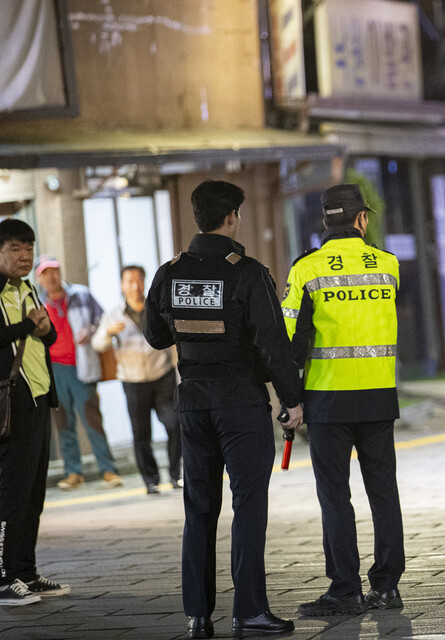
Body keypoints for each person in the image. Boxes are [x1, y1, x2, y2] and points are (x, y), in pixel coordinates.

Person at [144, 180, 303, 639]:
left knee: (199, 509)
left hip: (192, 403)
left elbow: (156, 336)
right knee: (248, 506)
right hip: (241, 403)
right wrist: (292, 401)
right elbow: (273, 343)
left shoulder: (169, 272)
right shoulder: (248, 271)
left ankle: (197, 615)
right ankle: (250, 611)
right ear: (231, 216)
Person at [282, 183, 405, 616]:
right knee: (383, 492)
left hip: (327, 398)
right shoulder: (387, 265)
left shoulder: (306, 269)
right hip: (377, 396)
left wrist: (289, 399)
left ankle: (344, 590)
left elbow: (290, 343)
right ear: (362, 218)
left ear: (325, 221)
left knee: (335, 495)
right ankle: (388, 587)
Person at [0, 219, 70, 606]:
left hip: (39, 398)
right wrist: (25, 326)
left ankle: (25, 572)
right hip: (11, 404)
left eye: (28, 248)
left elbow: (49, 336)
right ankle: (3, 577)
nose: (23, 256)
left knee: (32, 493)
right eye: (14, 248)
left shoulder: (27, 287)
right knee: (10, 493)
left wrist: (42, 329)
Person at [34, 255, 122, 491]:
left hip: (82, 367)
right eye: (45, 273)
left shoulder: (81, 294)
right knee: (63, 423)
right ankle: (73, 472)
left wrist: (90, 331)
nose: (51, 276)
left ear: (60, 271)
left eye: (54, 270)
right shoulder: (37, 304)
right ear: (38, 278)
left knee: (92, 418)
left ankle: (108, 469)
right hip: (53, 371)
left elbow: (103, 320)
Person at [92, 265, 180, 494]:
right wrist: (109, 332)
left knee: (175, 424)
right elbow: (97, 344)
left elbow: (174, 337)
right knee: (141, 434)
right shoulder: (114, 314)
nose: (135, 285)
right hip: (132, 381)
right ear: (122, 285)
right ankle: (150, 481)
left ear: (145, 282)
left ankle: (176, 475)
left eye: (139, 280)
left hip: (162, 375)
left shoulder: (158, 307)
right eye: (129, 281)